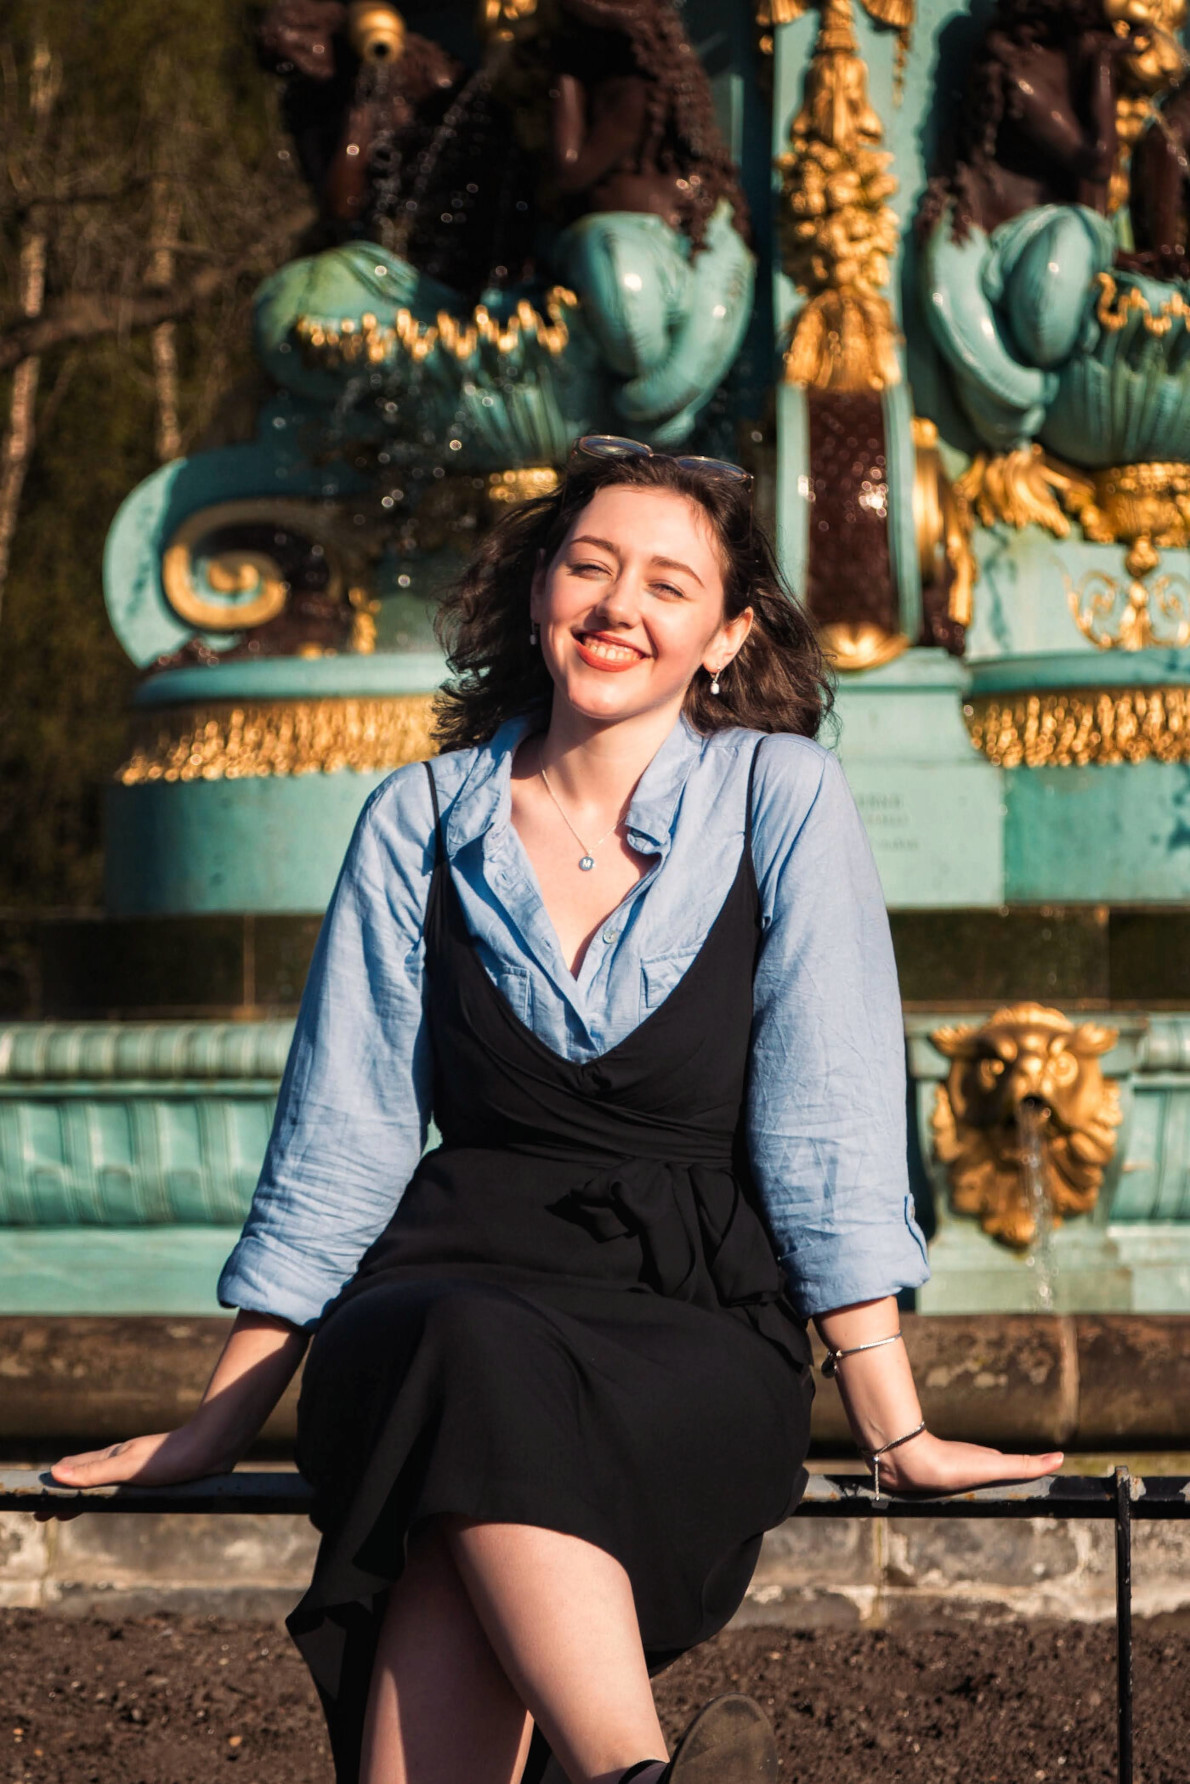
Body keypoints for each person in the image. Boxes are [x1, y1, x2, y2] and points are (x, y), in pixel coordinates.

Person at [52, 437, 1064, 1784]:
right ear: (534, 592)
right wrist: (218, 1421)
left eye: (665, 582)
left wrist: (895, 1427)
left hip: (687, 1320)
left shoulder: (782, 798)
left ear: (724, 634)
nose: (616, 608)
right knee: (462, 1350)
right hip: (443, 1292)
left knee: (454, 1479)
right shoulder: (416, 818)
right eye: (587, 567)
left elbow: (827, 1126)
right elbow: (342, 1141)